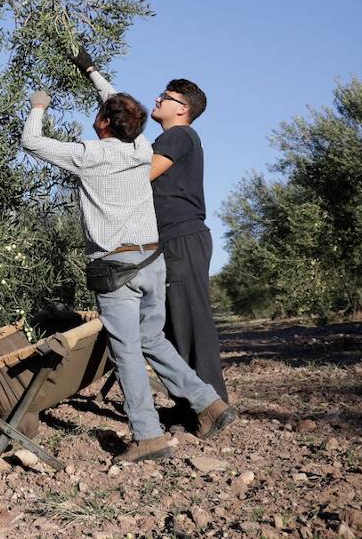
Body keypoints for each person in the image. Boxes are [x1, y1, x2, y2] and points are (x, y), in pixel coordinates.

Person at [20, 75, 234, 461]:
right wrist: (92, 74)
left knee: (127, 351)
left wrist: (38, 105)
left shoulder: (89, 154)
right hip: (152, 262)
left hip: (116, 268)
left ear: (103, 122)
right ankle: (209, 402)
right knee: (152, 339)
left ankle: (147, 435)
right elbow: (119, 107)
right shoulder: (140, 147)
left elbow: (31, 142)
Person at [69, 47, 228, 402]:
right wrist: (92, 71)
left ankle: (210, 403)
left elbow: (142, 174)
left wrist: (102, 161)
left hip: (181, 236)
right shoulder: (167, 139)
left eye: (167, 97)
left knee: (190, 320)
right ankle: (195, 404)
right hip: (172, 239)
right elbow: (121, 111)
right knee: (173, 323)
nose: (157, 99)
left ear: (183, 109)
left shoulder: (178, 136)